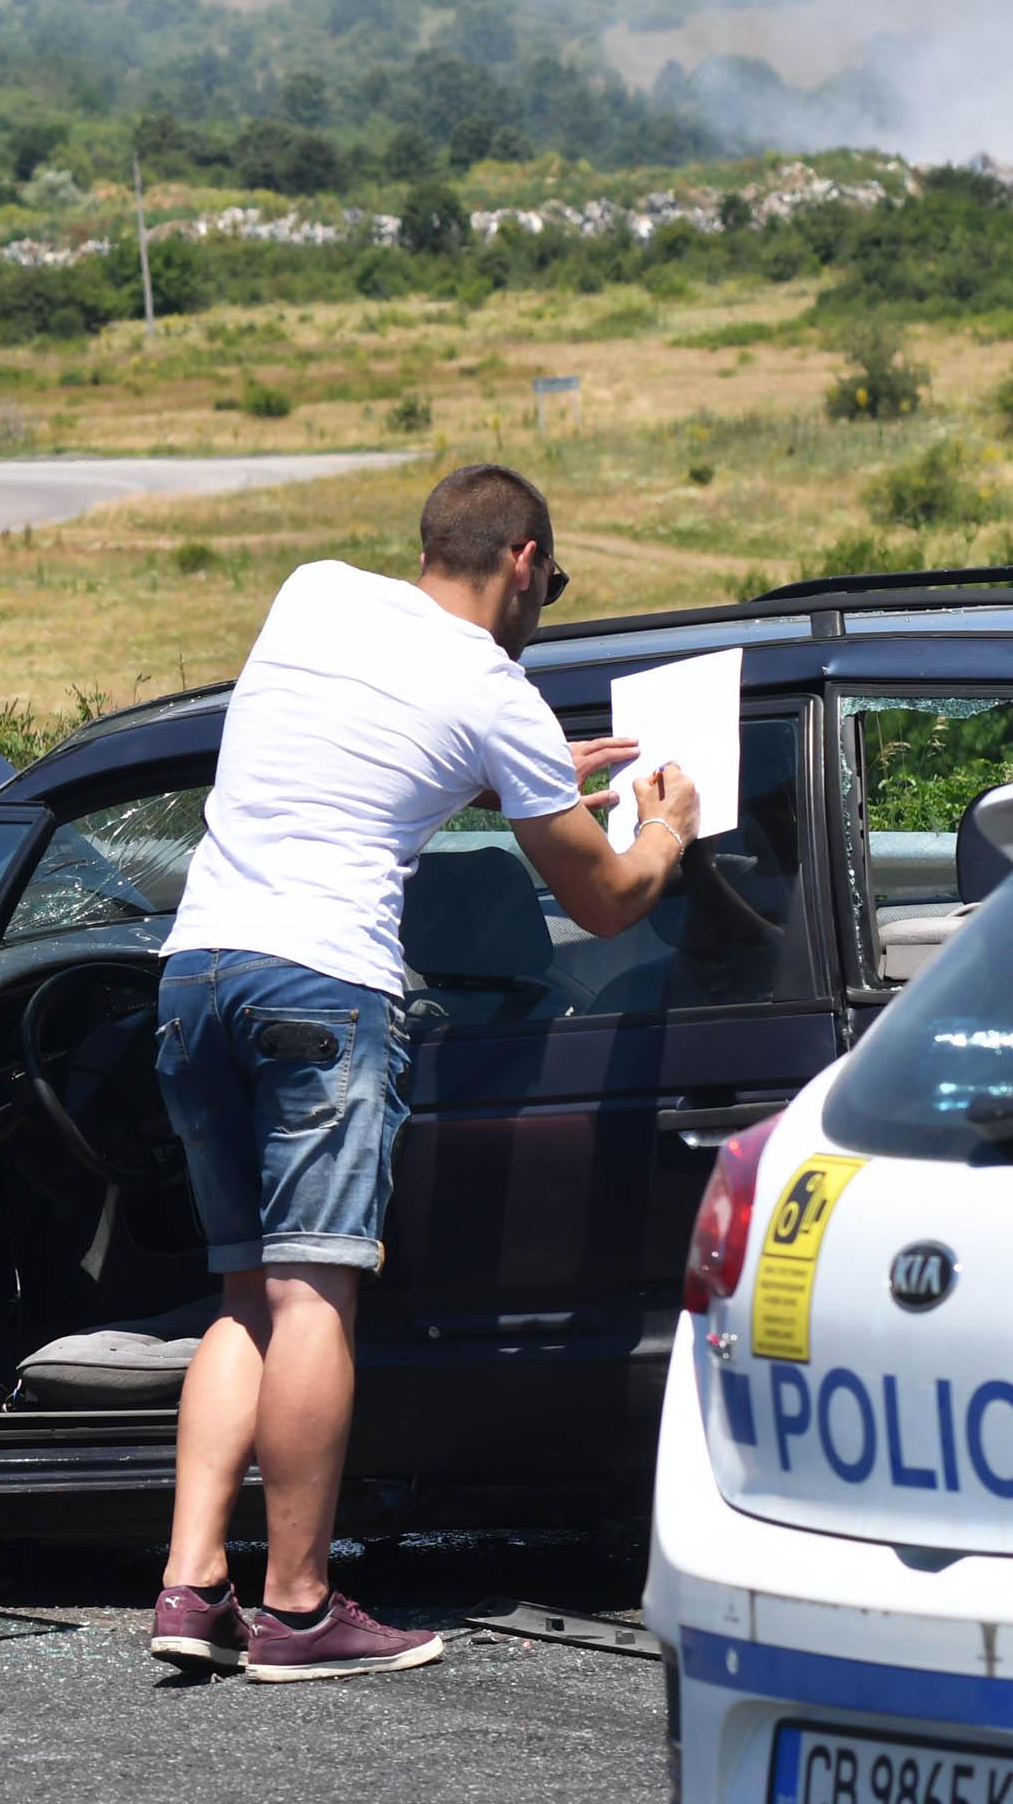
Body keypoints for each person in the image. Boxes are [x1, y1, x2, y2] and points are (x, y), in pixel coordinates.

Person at [150, 463, 702, 1683]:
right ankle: (296, 1610)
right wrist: (661, 824)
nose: (544, 603)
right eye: (549, 582)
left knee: (244, 1294)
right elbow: (606, 903)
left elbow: (363, 746)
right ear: (523, 559)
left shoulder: (313, 594)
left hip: (194, 974)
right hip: (320, 985)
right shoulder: (493, 689)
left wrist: (524, 763)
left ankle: (193, 1586)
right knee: (311, 1296)